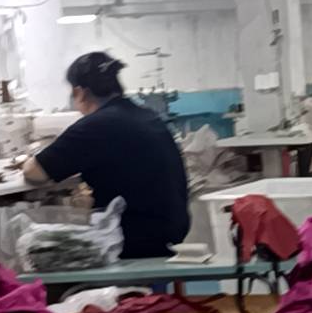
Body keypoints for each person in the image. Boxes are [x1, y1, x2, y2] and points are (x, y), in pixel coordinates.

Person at [24, 52, 189, 258]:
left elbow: (34, 172)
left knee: (41, 253)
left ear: (79, 92)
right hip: (170, 232)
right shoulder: (146, 115)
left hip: (134, 240)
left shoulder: (97, 125)